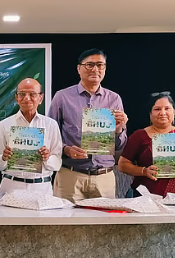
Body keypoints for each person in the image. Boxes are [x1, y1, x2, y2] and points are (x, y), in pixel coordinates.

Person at [48, 49, 128, 201]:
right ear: (79, 68)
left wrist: (119, 130)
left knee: (105, 217)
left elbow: (120, 146)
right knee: (66, 217)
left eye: (100, 65)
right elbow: (50, 137)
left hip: (104, 177)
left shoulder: (114, 99)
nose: (95, 69)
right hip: (71, 175)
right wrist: (66, 149)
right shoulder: (62, 97)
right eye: (90, 65)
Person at [118, 92, 175, 196]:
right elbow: (122, 165)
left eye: (167, 108)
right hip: (146, 198)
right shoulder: (139, 136)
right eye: (157, 109)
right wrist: (144, 171)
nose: (162, 113)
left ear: (174, 112)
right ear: (150, 114)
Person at [0, 78, 62, 201]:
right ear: (16, 98)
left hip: (42, 188)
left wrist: (47, 158)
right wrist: (3, 158)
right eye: (22, 94)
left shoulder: (51, 125)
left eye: (32, 94)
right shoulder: (5, 125)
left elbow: (57, 163)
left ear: (40, 98)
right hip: (12, 187)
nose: (27, 98)